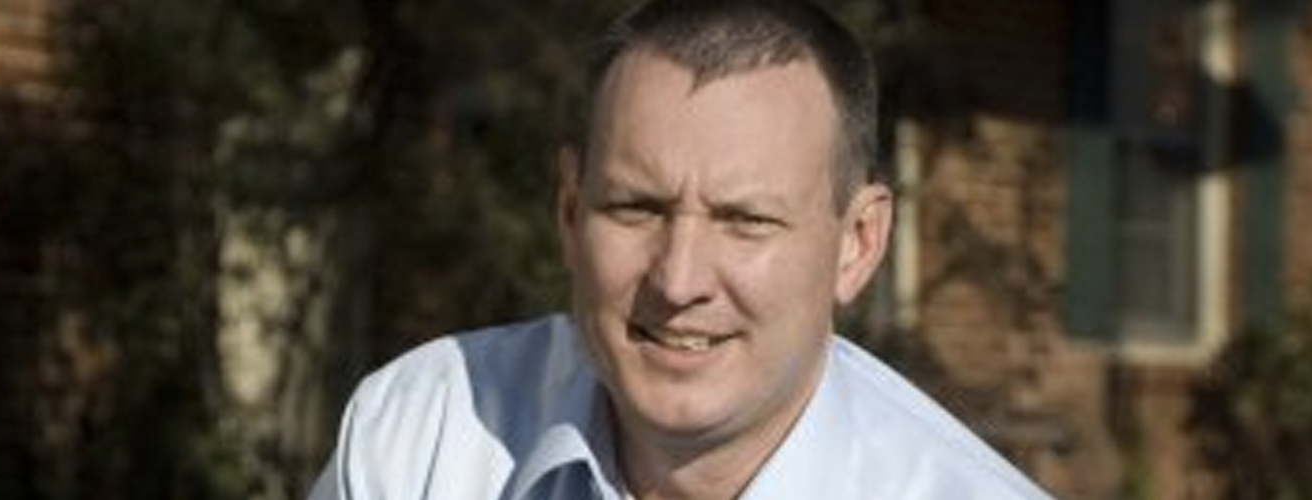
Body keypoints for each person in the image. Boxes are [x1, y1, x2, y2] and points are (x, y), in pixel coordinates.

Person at [308, 0, 1054, 498]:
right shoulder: (426, 439)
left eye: (744, 220)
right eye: (636, 208)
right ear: (569, 212)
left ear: (857, 245)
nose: (678, 279)